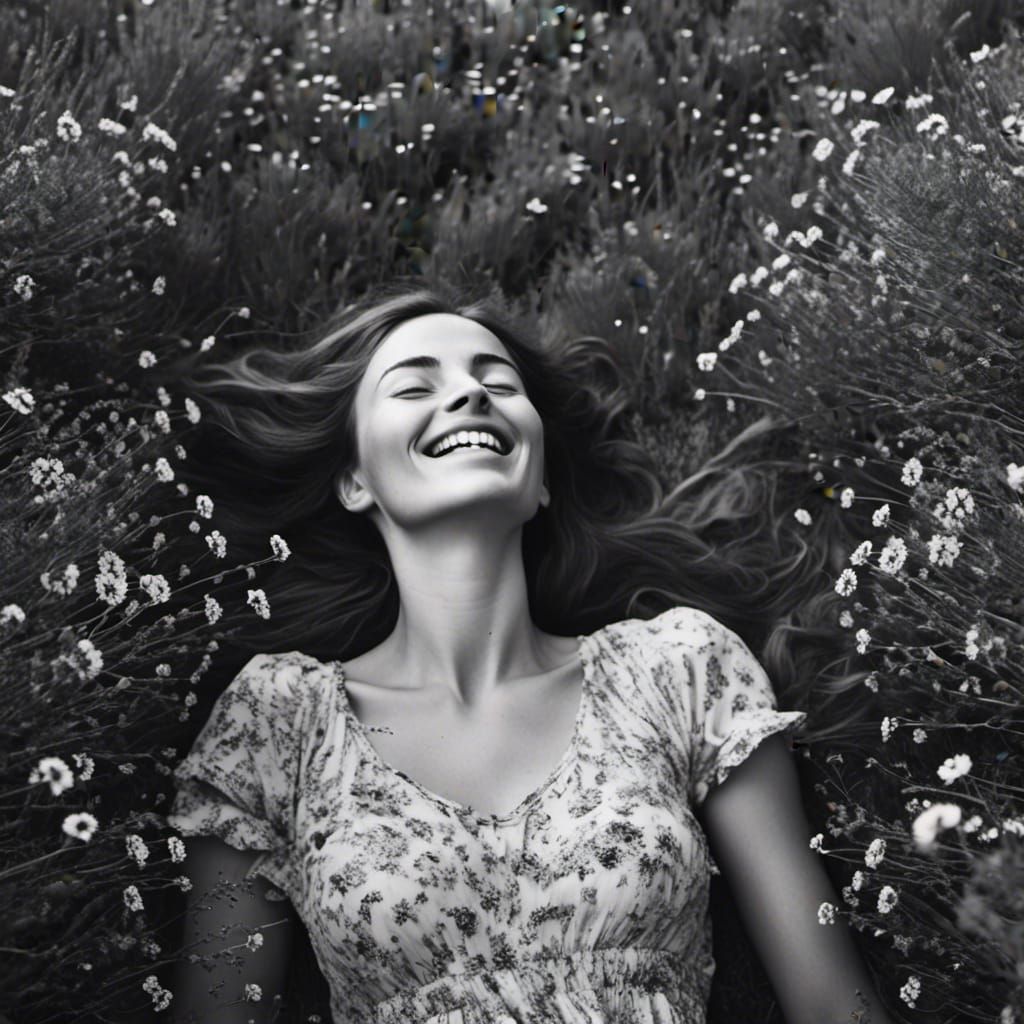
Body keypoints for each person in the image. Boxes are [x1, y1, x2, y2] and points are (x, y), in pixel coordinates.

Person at [165, 281, 896, 1024]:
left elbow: (836, 1007)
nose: (470, 397)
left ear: (541, 479)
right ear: (355, 480)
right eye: (415, 385)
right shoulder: (280, 725)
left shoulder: (678, 670)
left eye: (498, 383)